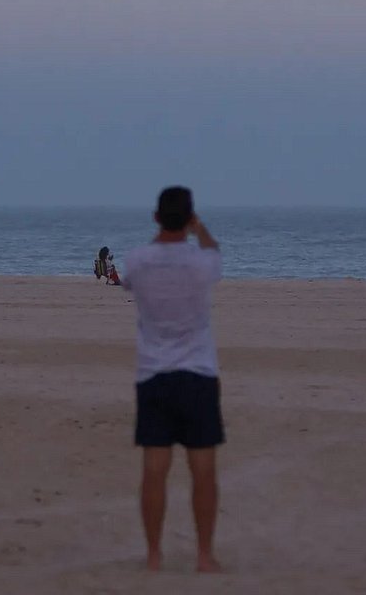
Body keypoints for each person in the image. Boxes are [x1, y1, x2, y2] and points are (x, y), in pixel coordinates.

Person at [122, 186, 224, 574]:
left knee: (154, 470)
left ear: (156, 217)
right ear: (190, 218)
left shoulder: (138, 259)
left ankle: (153, 555)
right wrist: (200, 230)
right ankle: (203, 555)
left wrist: (162, 234)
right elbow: (213, 250)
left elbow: (132, 277)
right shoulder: (202, 263)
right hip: (197, 373)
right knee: (203, 471)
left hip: (154, 374)